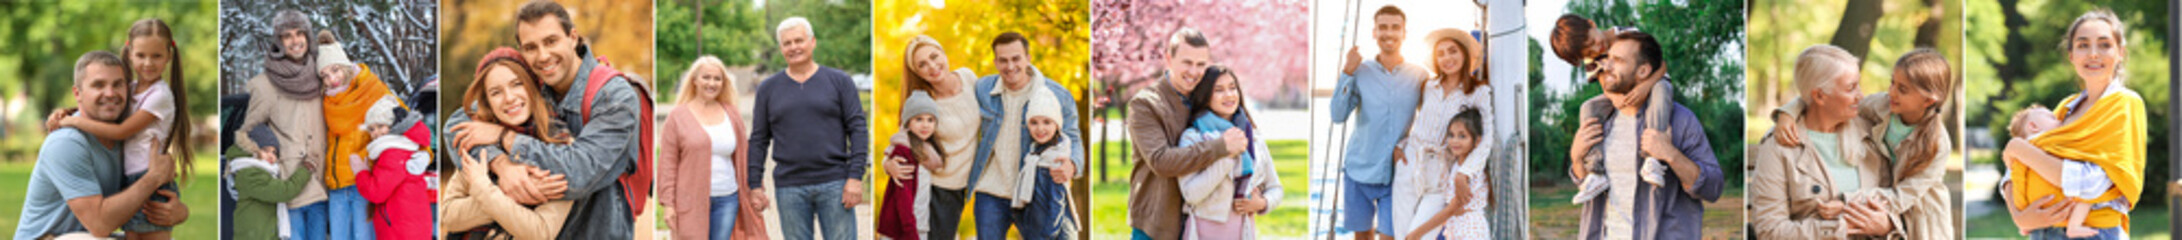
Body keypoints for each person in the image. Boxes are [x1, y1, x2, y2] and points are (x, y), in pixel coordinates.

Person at [445, 1, 654, 238]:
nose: (543, 56)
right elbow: (454, 126)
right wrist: (502, 166)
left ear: (573, 37)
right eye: (531, 47)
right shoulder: (530, 84)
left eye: (551, 41)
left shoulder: (615, 97)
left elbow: (577, 173)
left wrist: (505, 138)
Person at [1770, 48, 1959, 239]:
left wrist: (1848, 202)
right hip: (1882, 199)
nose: (1891, 92)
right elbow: (1824, 99)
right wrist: (1789, 112)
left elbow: (1902, 195)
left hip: (1921, 215)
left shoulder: (1937, 144)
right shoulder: (1883, 105)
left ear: (1928, 100)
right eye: (1892, 82)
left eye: (1902, 90)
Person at [41, 17, 196, 240]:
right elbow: (111, 108)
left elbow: (121, 130)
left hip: (147, 181)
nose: (148, 63)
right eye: (141, 55)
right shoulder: (131, 89)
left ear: (169, 57)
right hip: (138, 180)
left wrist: (74, 120)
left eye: (157, 56)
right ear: (130, 53)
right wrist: (68, 111)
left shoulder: (159, 95)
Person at [2000, 8, 2146, 239]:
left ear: (2120, 52)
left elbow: (2090, 183)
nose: (2093, 54)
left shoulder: (2125, 104)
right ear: (2071, 56)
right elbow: (2014, 170)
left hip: (2093, 233)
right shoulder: (2064, 109)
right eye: (2083, 45)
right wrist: (2019, 215)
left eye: (2105, 44)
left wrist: (2018, 148)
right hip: (2042, 233)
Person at [1566, 31, 1723, 240]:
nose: (1606, 66)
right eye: (1608, 58)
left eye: (1618, 60)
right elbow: (1588, 187)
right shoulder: (1599, 121)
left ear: (1643, 71)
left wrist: (1670, 154)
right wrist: (1577, 158)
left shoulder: (1680, 121)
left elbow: (1713, 188)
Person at [15, 51, 186, 240]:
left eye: (118, 84)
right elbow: (99, 225)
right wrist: (153, 178)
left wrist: (179, 212)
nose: (110, 93)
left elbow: (130, 207)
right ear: (77, 94)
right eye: (98, 85)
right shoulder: (67, 143)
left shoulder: (129, 139)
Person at [1749, 44, 1893, 239]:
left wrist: (1887, 225)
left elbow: (1893, 201)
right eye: (1851, 88)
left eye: (1858, 85)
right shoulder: (1778, 146)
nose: (1860, 95)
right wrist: (1837, 229)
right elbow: (1770, 231)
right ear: (1819, 96)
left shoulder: (1871, 133)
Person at [747, 16, 868, 240]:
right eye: (787, 43)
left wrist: (855, 177)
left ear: (812, 42)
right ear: (781, 48)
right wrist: (754, 184)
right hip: (789, 186)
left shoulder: (839, 81)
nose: (794, 47)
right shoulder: (768, 89)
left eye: (799, 41)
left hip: (835, 183)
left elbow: (858, 129)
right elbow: (758, 139)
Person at [438, 48, 576, 240]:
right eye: (496, 92)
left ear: (533, 86)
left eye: (517, 84)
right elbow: (449, 215)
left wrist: (483, 189)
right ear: (487, 102)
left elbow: (540, 231)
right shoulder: (478, 141)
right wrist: (510, 191)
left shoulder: (560, 145)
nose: (509, 98)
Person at [1126, 27, 1244, 240]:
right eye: (1187, 62)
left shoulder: (1207, 103)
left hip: (1200, 224)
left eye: (1201, 64)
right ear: (1169, 59)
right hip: (1156, 226)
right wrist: (1220, 147)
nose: (1194, 71)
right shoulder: (1145, 104)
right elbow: (1161, 161)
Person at [969, 31, 1083, 240]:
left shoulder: (1057, 94)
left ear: (1028, 59)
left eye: (1016, 59)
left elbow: (1073, 136)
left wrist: (1072, 164)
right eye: (1003, 60)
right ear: (995, 62)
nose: (1010, 66)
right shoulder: (983, 89)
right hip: (991, 192)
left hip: (1035, 189)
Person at [232, 10, 332, 240]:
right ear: (279, 42)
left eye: (300, 33)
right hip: (290, 187)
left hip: (321, 182)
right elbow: (247, 133)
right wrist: (254, 162)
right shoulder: (265, 85)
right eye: (287, 36)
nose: (295, 41)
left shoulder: (322, 74)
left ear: (307, 36)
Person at [1329, 5, 1427, 240]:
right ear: (1374, 32)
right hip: (1358, 170)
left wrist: (1406, 145)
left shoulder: (1420, 76)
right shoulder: (1360, 72)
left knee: (1390, 237)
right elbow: (1337, 115)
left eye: (1395, 28)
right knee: (1362, 236)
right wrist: (1347, 72)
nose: (1389, 33)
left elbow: (1429, 124)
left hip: (1397, 174)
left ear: (1404, 33)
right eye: (1383, 27)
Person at [1390, 28, 1490, 237]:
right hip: (1410, 163)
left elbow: (1486, 138)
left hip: (1443, 172)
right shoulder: (1428, 86)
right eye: (1441, 53)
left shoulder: (1478, 92)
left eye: (1452, 51)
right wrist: (1400, 147)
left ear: (1464, 53)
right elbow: (1415, 120)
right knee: (1401, 236)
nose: (1447, 58)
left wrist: (1465, 172)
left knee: (1420, 235)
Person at [661, 56, 768, 240]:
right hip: (690, 202)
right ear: (694, 80)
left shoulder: (731, 114)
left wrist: (756, 189)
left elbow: (744, 157)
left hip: (727, 199)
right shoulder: (677, 117)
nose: (712, 83)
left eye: (717, 79)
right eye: (706, 77)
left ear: (723, 83)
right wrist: (668, 204)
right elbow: (668, 165)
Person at [891, 35, 984, 240]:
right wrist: (888, 163)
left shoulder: (968, 77)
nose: (932, 66)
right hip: (939, 188)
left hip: (968, 183)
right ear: (917, 72)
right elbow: (902, 136)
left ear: (943, 52)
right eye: (922, 64)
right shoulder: (924, 101)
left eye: (934, 56)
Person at [1173, 66, 1281, 240]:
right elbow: (1191, 194)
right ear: (1206, 97)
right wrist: (1226, 154)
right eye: (1219, 90)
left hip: (1244, 231)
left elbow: (1275, 188)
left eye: (1232, 87)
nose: (1229, 95)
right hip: (1203, 233)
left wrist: (1261, 203)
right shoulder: (1192, 138)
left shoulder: (1253, 137)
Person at [312, 30, 398, 240]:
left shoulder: (370, 89)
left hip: (364, 184)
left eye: (335, 70)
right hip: (336, 187)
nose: (332, 79)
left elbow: (402, 120)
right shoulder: (326, 101)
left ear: (344, 66)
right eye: (325, 75)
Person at [354, 95, 435, 240]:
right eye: (372, 129)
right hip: (408, 226)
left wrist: (361, 172)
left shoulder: (393, 153)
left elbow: (376, 192)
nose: (376, 133)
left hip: (400, 229)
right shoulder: (404, 148)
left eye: (381, 126)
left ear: (392, 126)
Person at [1405, 111, 1489, 240]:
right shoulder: (1457, 165)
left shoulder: (1471, 172)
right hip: (1456, 227)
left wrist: (1417, 233)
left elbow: (1451, 209)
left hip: (1470, 230)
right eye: (1451, 135)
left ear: (1477, 141)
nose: (1455, 141)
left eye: (1462, 136)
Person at [229, 125, 316, 240]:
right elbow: (284, 191)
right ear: (252, 149)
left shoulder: (264, 172)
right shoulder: (250, 174)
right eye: (265, 150)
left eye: (274, 152)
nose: (271, 156)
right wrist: (305, 170)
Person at [880, 92, 942, 240]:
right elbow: (903, 198)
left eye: (930, 120)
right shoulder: (904, 151)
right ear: (908, 122)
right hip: (902, 229)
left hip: (919, 226)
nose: (925, 125)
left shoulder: (927, 150)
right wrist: (910, 233)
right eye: (919, 119)